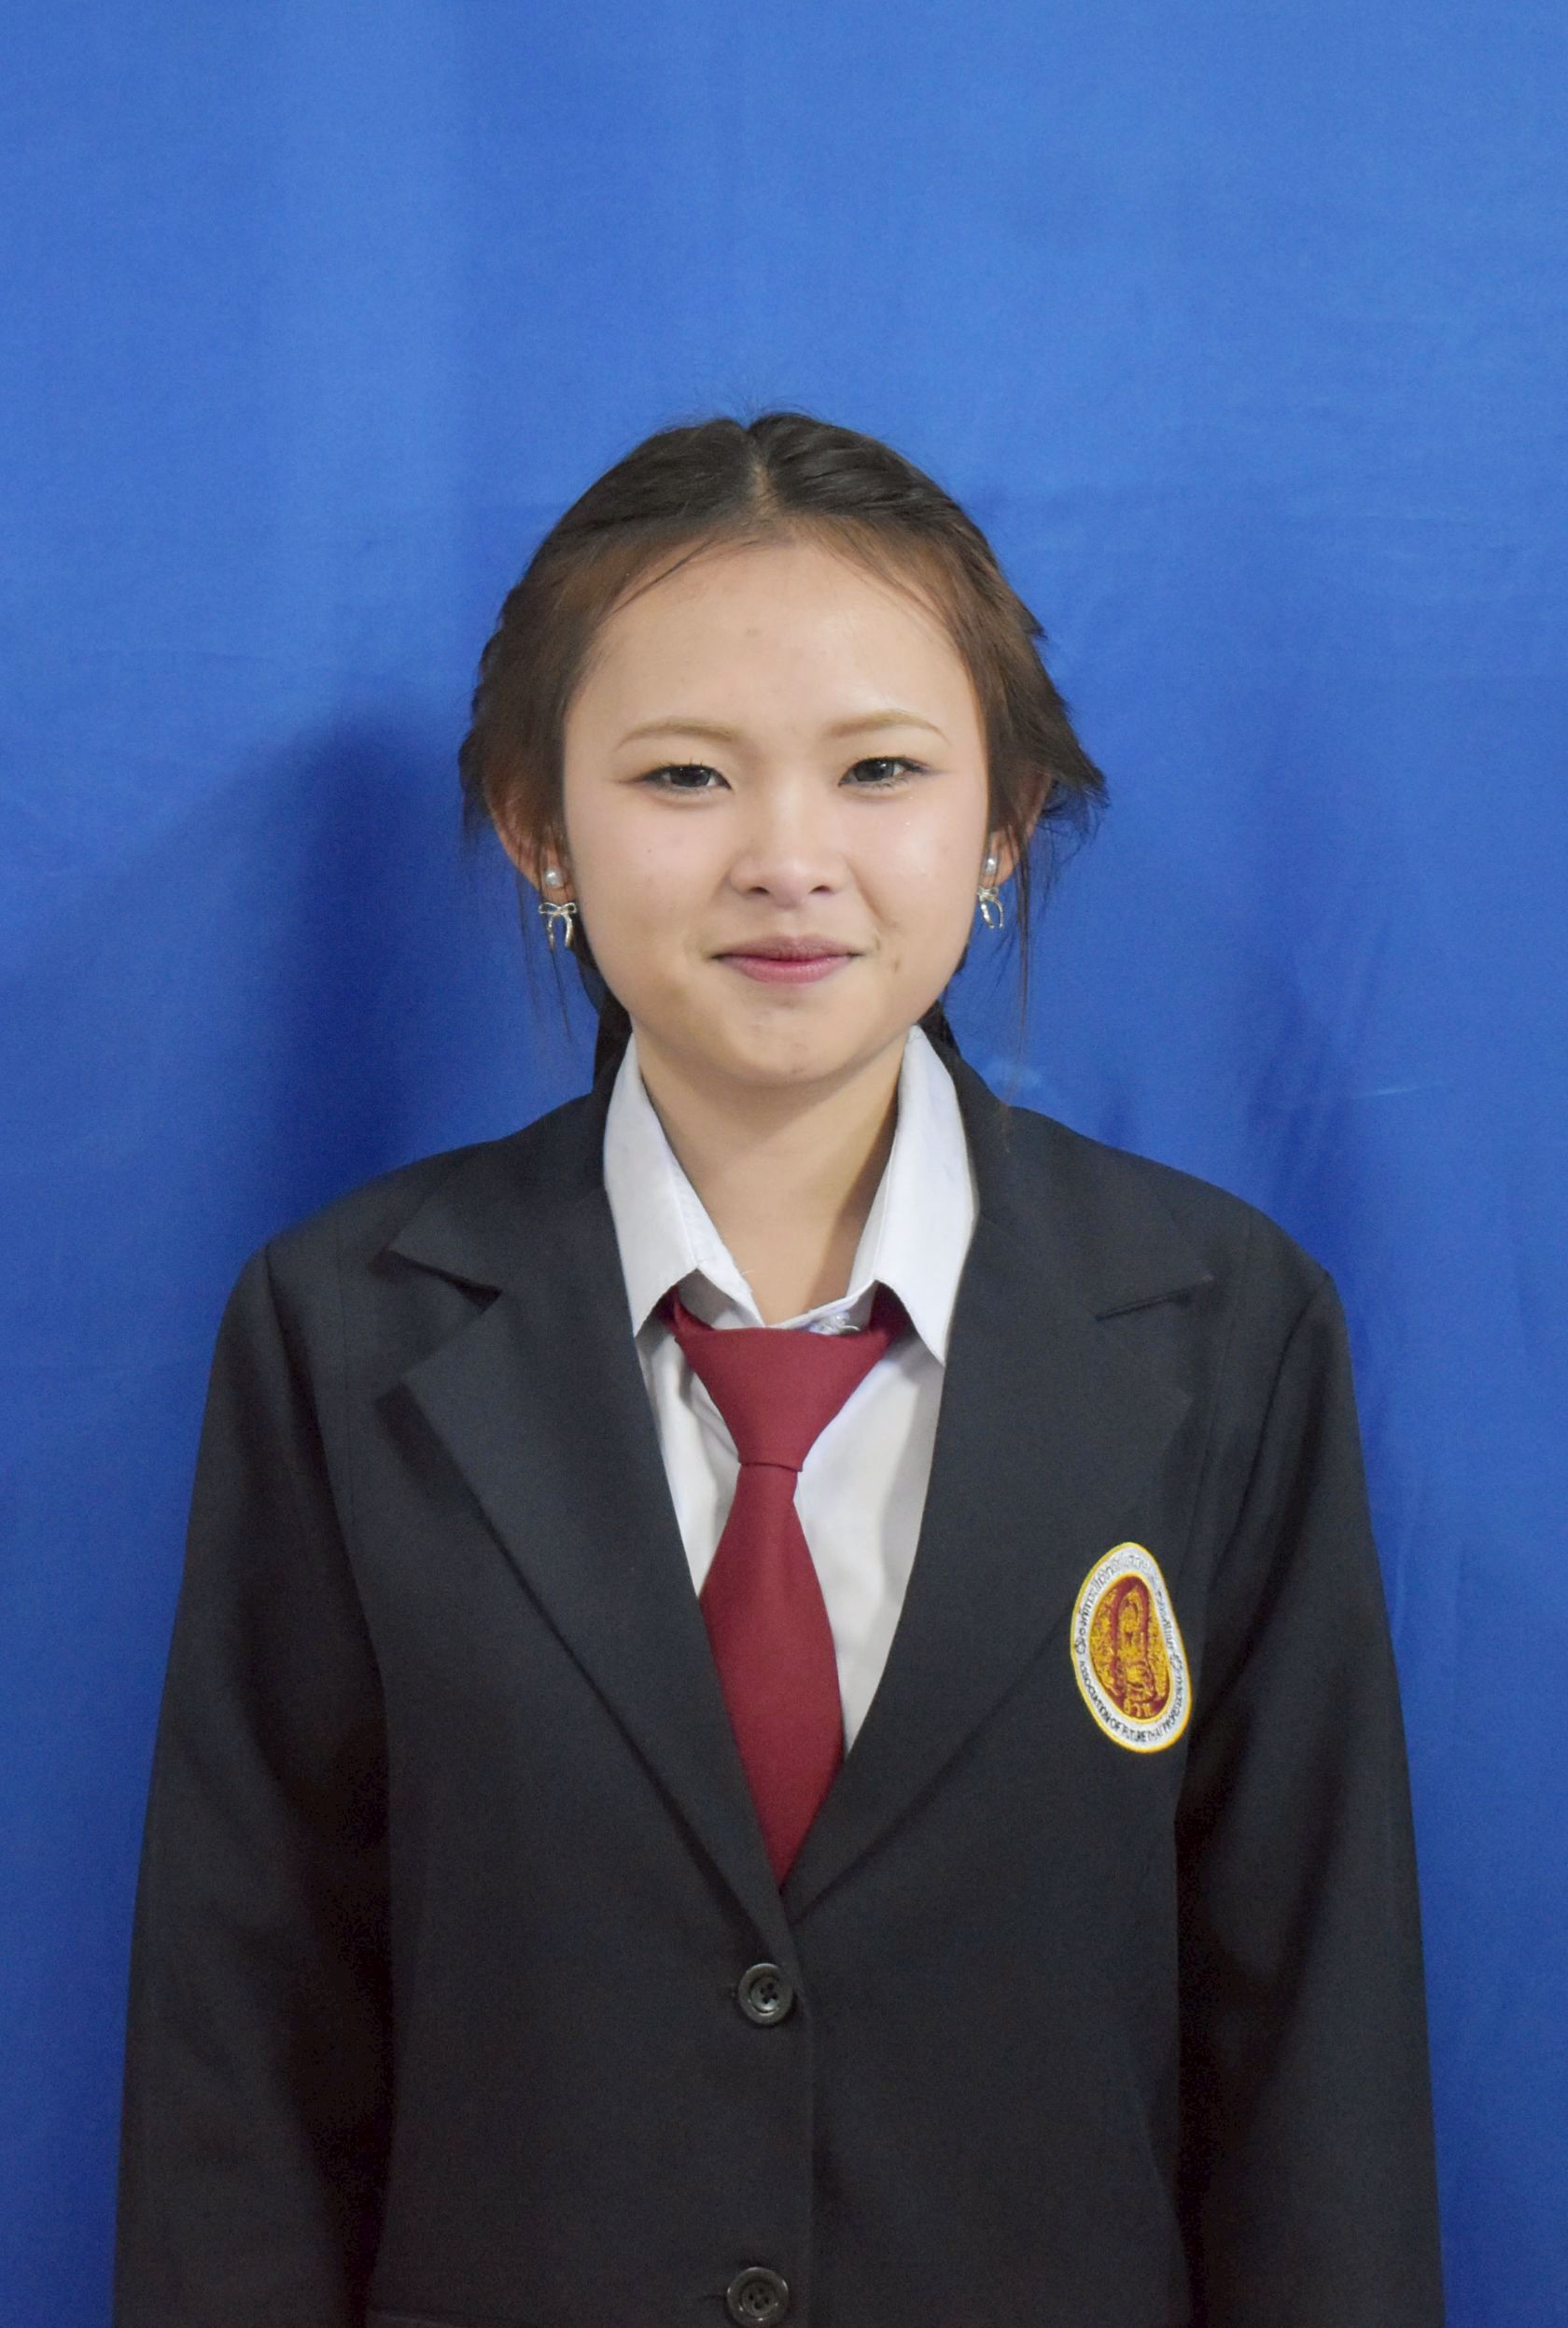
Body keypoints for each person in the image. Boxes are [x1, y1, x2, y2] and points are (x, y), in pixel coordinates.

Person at [113, 411, 1445, 2327]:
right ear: (539, 827)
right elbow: (241, 2050)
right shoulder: (342, 1327)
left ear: (1001, 823)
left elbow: (1317, 2053)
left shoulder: (1222, 1324)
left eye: (880, 769)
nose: (787, 860)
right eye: (684, 775)